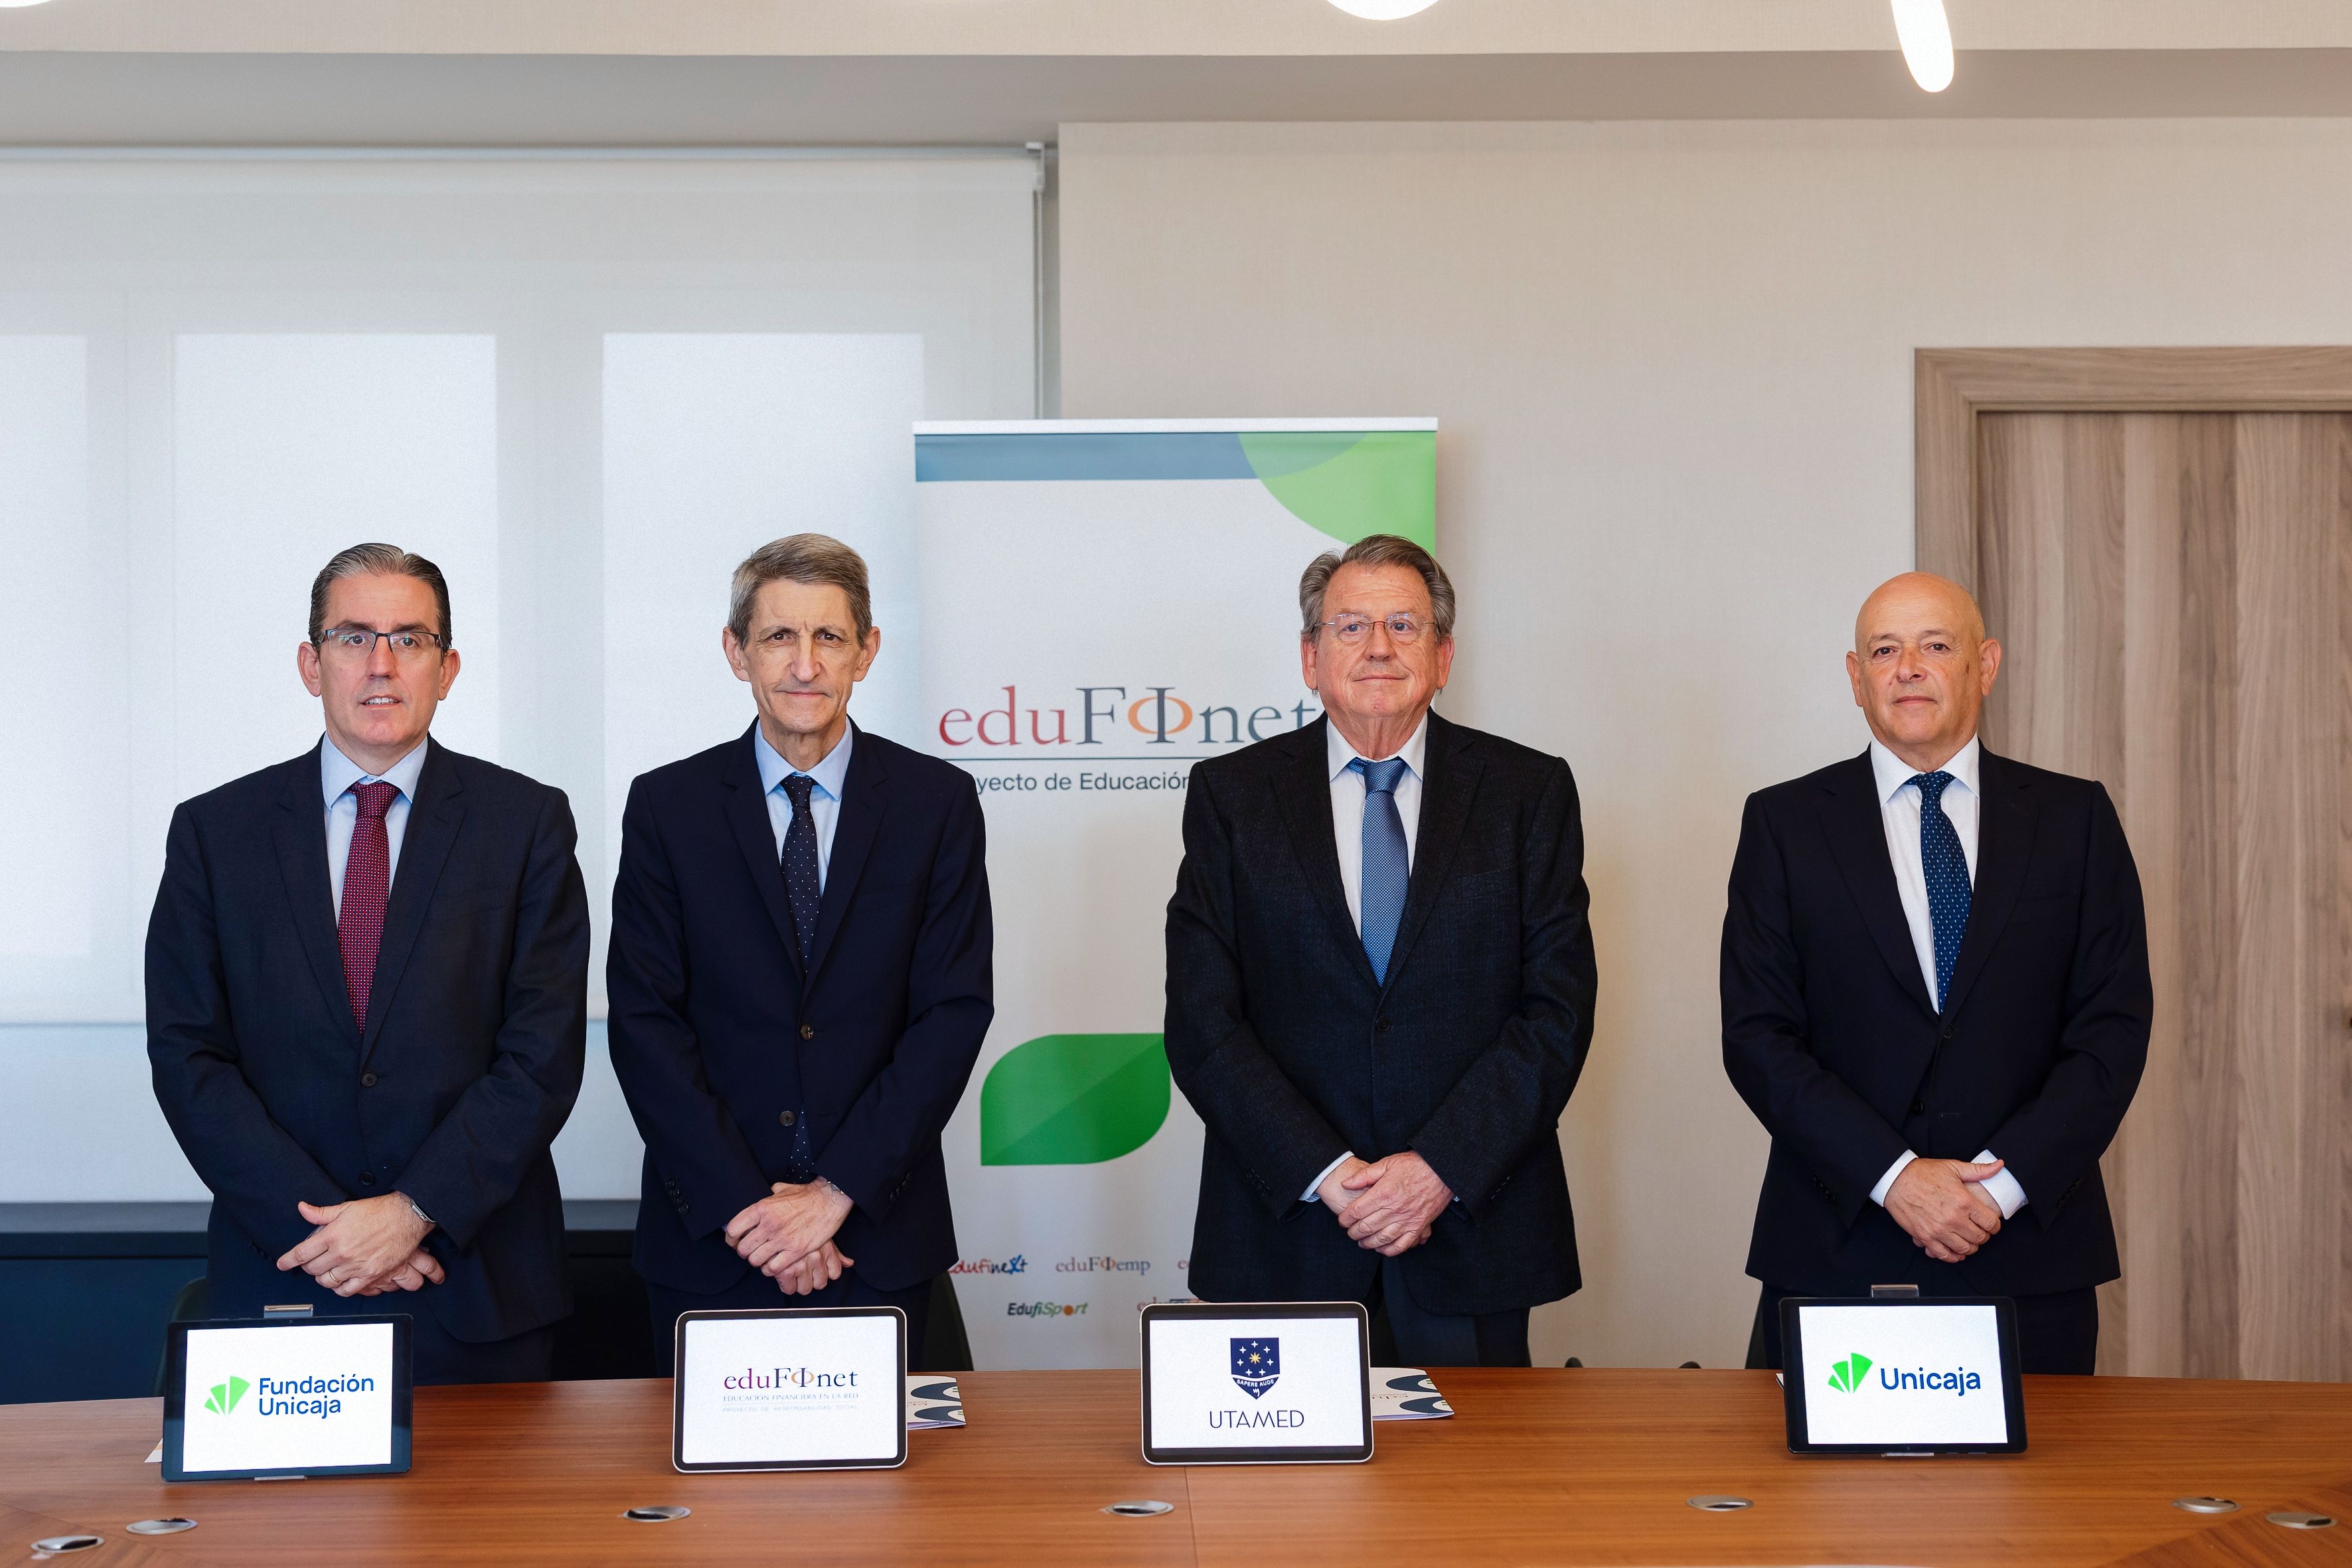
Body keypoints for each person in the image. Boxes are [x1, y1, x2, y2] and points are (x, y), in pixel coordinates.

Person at [146, 544, 589, 1384]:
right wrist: (324, 1232)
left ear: (447, 669)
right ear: (311, 665)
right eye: (354, 637)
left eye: (410, 639)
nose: (381, 664)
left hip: (474, 1288)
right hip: (283, 1276)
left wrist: (415, 1211)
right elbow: (188, 1055)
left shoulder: (526, 823)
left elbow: (542, 1055)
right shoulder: (216, 833)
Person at [1164, 534, 1598, 1367]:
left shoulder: (1527, 792)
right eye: (1351, 626)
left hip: (1468, 1233)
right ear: (1310, 657)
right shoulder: (1231, 797)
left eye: (1403, 625)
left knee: (1478, 1458)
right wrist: (1331, 1174)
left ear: (1443, 656)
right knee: (1287, 1459)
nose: (1377, 648)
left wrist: (1439, 1169)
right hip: (1287, 1235)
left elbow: (1557, 1013)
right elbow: (1202, 1021)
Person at [1722, 572, 2152, 1375]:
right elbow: (1758, 1037)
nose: (1909, 668)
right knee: (1807, 1469)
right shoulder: (1784, 824)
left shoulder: (2076, 819)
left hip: (2029, 1252)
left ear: (1985, 665)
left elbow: (2112, 1030)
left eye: (1936, 645)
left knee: (2045, 1468)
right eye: (1885, 650)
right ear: (1856, 678)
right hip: (1836, 1249)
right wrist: (1896, 1180)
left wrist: (1999, 1188)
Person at [607, 534, 992, 1371]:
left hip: (876, 1237)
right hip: (713, 1240)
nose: (805, 664)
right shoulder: (668, 807)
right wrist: (753, 1212)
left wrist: (835, 1194)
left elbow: (951, 1014)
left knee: (889, 1462)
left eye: (829, 637)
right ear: (736, 650)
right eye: (780, 635)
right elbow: (645, 1023)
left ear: (867, 651)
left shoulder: (936, 804)